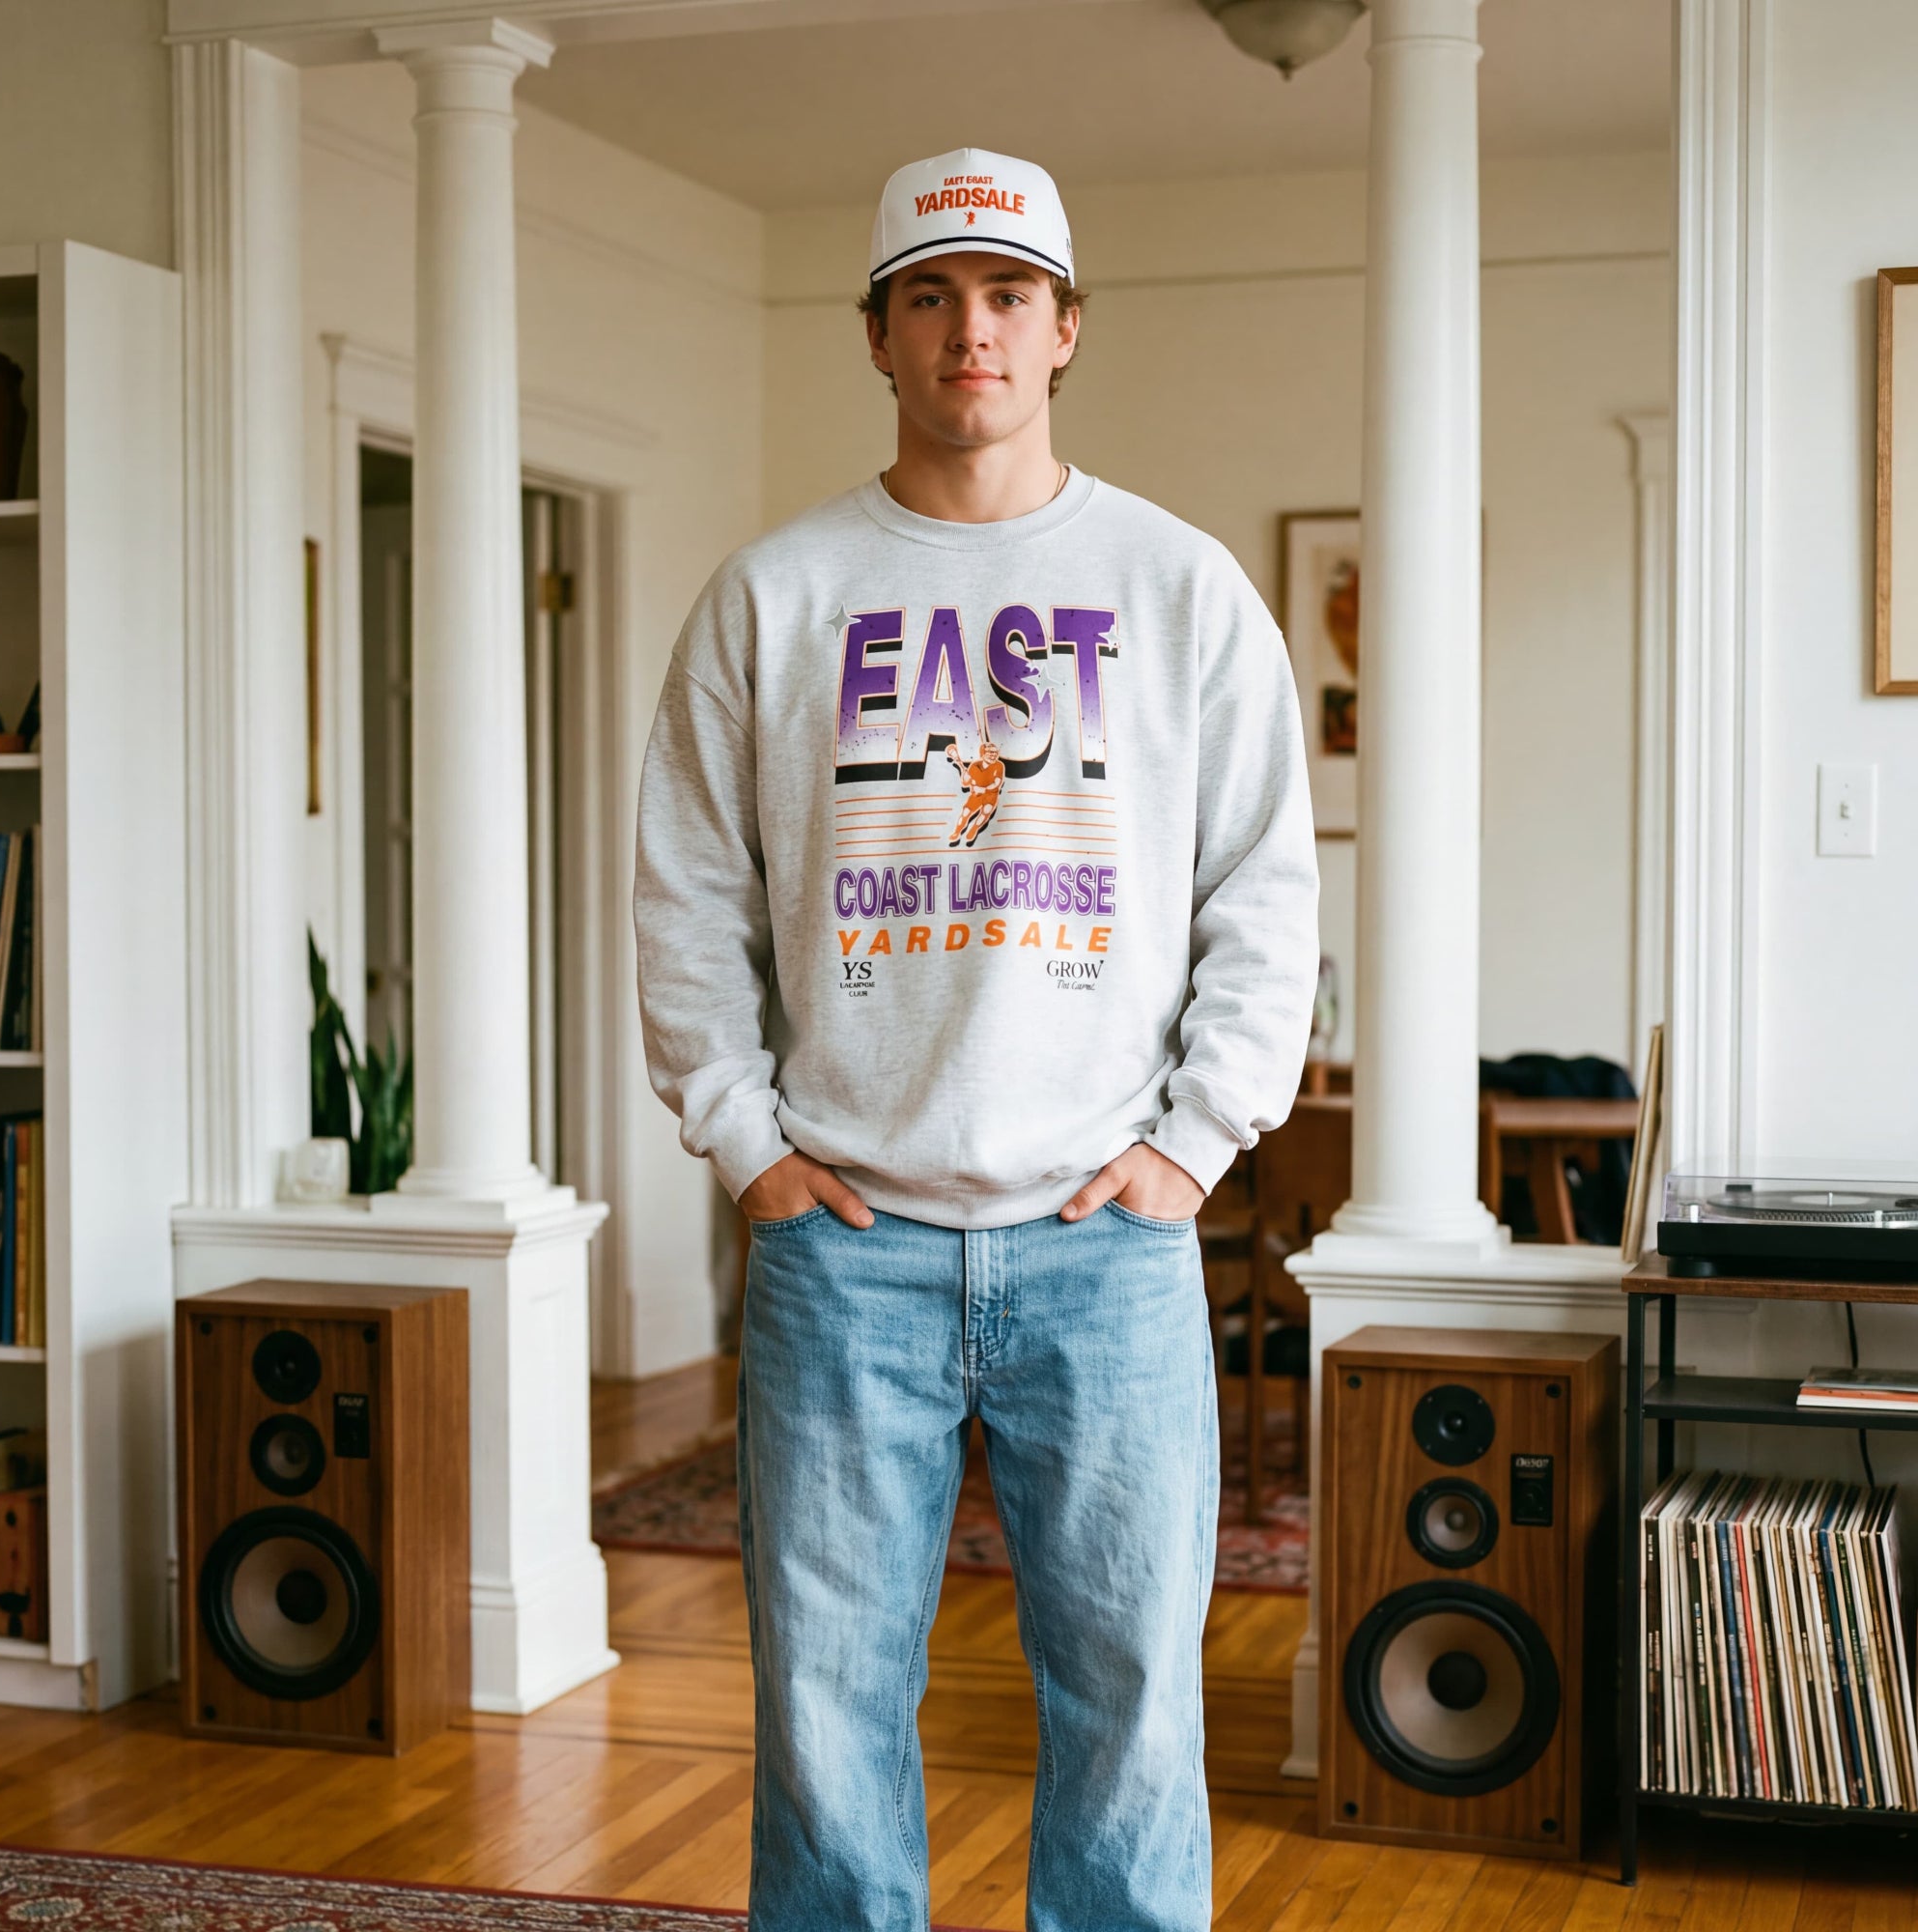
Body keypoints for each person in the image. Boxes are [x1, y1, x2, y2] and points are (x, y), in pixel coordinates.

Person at [633, 145, 1318, 1932]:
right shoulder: (776, 596)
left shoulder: (1178, 590)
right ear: (876, 331)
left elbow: (1266, 891)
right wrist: (746, 1145)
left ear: (1066, 327)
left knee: (1132, 1716)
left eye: (1007, 294)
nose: (970, 332)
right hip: (841, 1245)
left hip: (1109, 1241)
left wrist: (1196, 1146)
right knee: (827, 1719)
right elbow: (686, 895)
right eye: (928, 294)